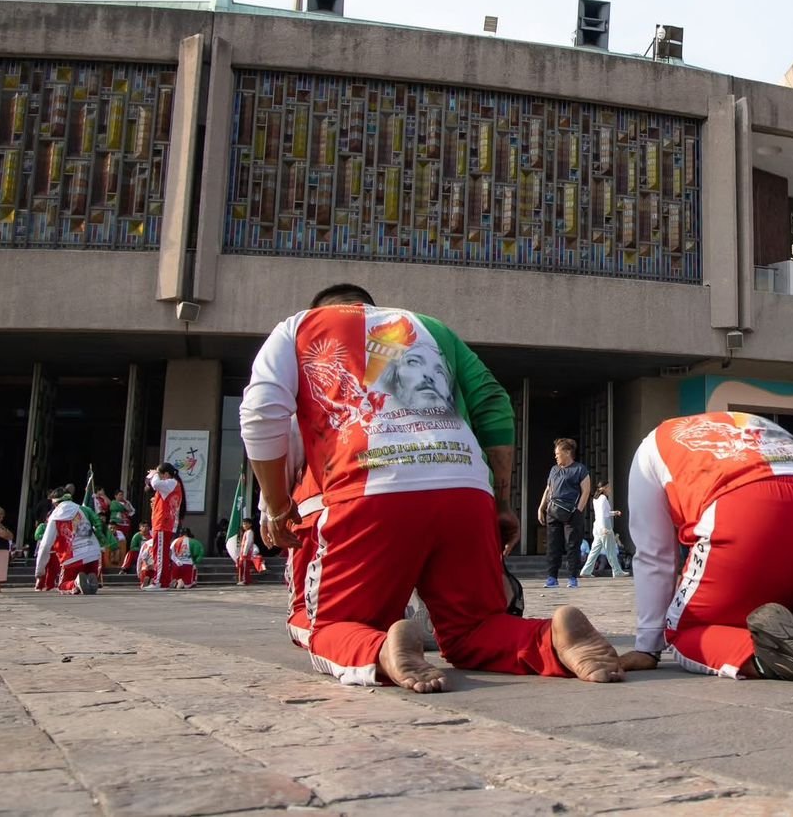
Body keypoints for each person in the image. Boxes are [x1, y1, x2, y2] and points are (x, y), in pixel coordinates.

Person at [240, 282, 621, 693]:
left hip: (370, 491)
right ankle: (551, 638)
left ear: (321, 310)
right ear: (370, 307)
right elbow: (493, 401)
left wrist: (276, 508)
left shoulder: (300, 327)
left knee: (330, 625)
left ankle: (381, 648)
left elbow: (262, 412)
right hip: (463, 487)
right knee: (475, 628)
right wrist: (501, 501)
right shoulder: (428, 327)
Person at [616, 411, 793, 683]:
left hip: (753, 516)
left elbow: (655, 554)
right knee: (789, 620)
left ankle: (774, 660)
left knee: (684, 632)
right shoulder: (748, 420)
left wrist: (648, 646)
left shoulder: (652, 445)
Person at [538, 439, 591, 589]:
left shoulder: (580, 469)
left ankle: (572, 577)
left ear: (567, 452)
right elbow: (548, 489)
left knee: (572, 545)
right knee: (552, 545)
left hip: (571, 513)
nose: (555, 456)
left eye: (558, 453)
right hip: (553, 511)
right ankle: (552, 578)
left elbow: (586, 491)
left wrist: (578, 510)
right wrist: (541, 507)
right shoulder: (554, 470)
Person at [33, 490, 102, 595]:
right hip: (93, 554)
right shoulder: (83, 509)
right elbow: (99, 525)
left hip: (73, 558)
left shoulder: (55, 516)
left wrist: (39, 570)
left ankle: (76, 583)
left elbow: (45, 545)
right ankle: (89, 580)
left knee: (62, 585)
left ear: (55, 503)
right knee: (86, 578)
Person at [146, 463, 186, 588]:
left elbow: (155, 484)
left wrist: (155, 474)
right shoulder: (171, 485)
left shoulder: (171, 483)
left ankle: (158, 581)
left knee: (160, 553)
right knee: (159, 552)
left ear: (166, 474)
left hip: (163, 523)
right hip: (162, 523)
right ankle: (163, 580)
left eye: (160, 474)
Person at [579, 482, 626, 579]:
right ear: (603, 488)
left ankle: (586, 571)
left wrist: (614, 513)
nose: (609, 489)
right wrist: (604, 528)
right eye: (608, 487)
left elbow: (604, 513)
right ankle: (617, 571)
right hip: (604, 525)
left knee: (595, 550)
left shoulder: (596, 499)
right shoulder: (603, 498)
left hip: (597, 526)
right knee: (611, 550)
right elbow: (602, 515)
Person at [231, 518, 263, 585]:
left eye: (246, 524)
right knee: (242, 566)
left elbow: (248, 543)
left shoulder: (250, 532)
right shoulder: (245, 532)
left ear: (250, 524)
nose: (244, 525)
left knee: (245, 567)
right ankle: (242, 579)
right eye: (243, 524)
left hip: (246, 553)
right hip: (243, 552)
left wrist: (245, 552)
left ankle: (245, 580)